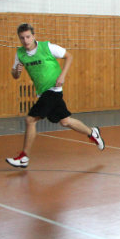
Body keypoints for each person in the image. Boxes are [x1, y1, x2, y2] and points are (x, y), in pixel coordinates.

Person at [6, 23, 104, 168]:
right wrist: (17, 71)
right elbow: (15, 75)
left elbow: (69, 56)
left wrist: (62, 76)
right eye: (22, 38)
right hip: (42, 93)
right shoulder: (20, 54)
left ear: (33, 36)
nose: (25, 40)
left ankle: (24, 157)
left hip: (53, 89)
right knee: (65, 121)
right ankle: (92, 132)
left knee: (30, 120)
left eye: (28, 37)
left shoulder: (47, 47)